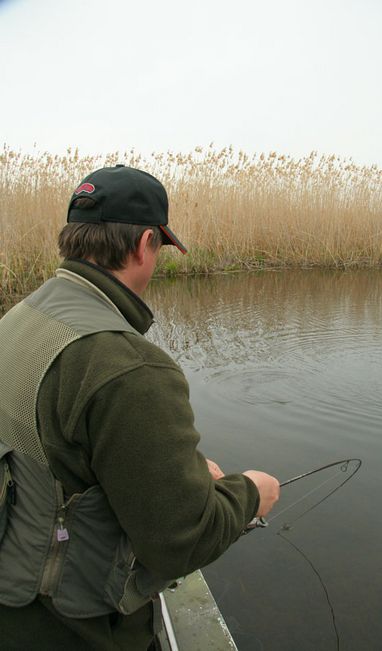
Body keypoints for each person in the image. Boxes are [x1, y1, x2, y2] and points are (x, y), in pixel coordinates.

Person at [0, 164, 280, 651]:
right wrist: (251, 493)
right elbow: (183, 540)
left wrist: (183, 474)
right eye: (160, 248)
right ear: (144, 243)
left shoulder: (20, 318)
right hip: (79, 629)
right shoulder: (130, 368)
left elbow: (66, 454)